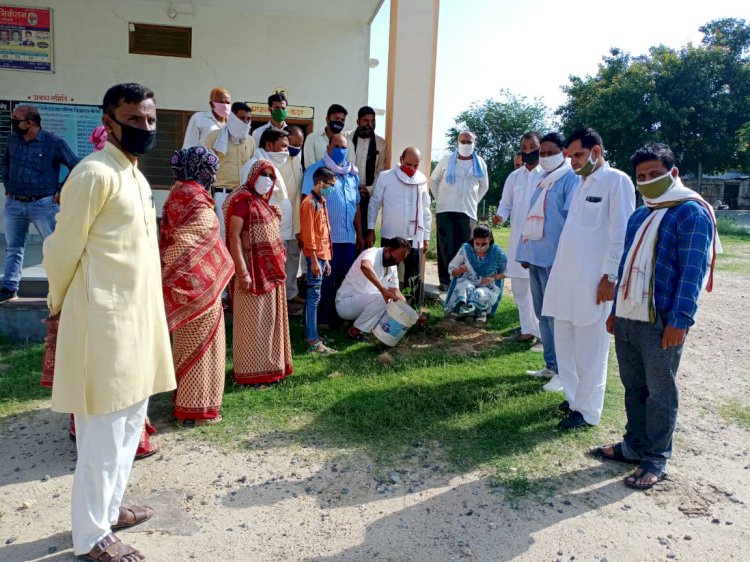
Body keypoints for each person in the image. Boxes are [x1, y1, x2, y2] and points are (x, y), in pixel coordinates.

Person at [43, 82, 175, 562]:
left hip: (139, 322)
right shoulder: (93, 173)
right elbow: (61, 250)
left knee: (128, 428)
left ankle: (111, 511)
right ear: (109, 120)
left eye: (151, 119)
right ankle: (92, 536)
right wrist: (58, 302)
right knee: (100, 435)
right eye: (136, 119)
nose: (146, 127)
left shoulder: (137, 177)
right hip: (101, 321)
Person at [591, 143, 719, 490]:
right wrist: (616, 310)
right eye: (641, 176)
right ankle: (634, 446)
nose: (646, 181)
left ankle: (656, 458)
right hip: (630, 315)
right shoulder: (640, 214)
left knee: (660, 392)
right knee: (633, 387)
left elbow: (692, 272)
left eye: (654, 175)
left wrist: (680, 321)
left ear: (673, 173)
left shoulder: (690, 213)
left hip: (662, 319)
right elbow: (626, 263)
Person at [542, 128, 635, 429]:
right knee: (565, 343)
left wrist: (610, 276)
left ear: (596, 151)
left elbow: (622, 232)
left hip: (594, 282)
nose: (573, 162)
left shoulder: (616, 181)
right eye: (570, 156)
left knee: (591, 348)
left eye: (578, 155)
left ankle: (588, 411)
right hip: (566, 279)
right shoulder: (581, 183)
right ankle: (573, 400)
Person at [160, 146, 234, 426]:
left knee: (188, 342)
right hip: (198, 282)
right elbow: (197, 236)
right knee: (202, 344)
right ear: (200, 169)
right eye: (210, 168)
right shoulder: (193, 195)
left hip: (185, 279)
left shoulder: (178, 191)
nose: (213, 173)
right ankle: (195, 410)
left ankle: (185, 400)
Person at [515, 132, 580, 386]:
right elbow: (531, 217)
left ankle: (564, 373)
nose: (545, 157)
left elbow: (570, 222)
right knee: (543, 315)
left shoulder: (569, 180)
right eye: (542, 152)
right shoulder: (543, 180)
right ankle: (551, 365)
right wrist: (524, 252)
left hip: (555, 259)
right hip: (536, 257)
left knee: (556, 317)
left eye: (550, 152)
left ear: (564, 153)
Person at [1, 104, 80, 304]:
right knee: (14, 248)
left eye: (16, 120)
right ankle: (9, 288)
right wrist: (7, 184)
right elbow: (6, 162)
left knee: (54, 248)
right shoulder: (13, 140)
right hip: (14, 203)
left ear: (31, 122)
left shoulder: (53, 143)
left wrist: (62, 190)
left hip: (43, 205)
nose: (13, 123)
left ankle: (59, 290)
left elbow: (76, 166)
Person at [224, 159, 293, 384]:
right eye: (263, 175)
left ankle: (269, 367)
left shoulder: (264, 203)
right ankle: (249, 371)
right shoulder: (243, 201)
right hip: (250, 266)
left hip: (270, 269)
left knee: (269, 320)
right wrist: (242, 272)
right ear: (253, 176)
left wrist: (275, 216)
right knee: (252, 321)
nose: (268, 180)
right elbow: (233, 236)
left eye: (272, 176)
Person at [302, 133, 363, 328]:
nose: (340, 150)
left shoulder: (352, 174)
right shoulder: (316, 170)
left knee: (345, 281)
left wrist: (360, 233)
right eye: (336, 146)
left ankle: (340, 316)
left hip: (348, 238)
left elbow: (357, 206)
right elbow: (307, 201)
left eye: (344, 147)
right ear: (328, 148)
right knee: (324, 283)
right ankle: (321, 321)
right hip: (325, 239)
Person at [243, 129, 304, 305]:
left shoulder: (273, 163)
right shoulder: (254, 166)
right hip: (261, 229)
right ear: (269, 145)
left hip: (280, 225)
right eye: (284, 146)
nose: (287, 151)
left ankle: (282, 298)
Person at [493, 132, 542, 345]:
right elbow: (506, 203)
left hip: (540, 240)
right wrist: (500, 216)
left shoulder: (547, 175)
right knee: (520, 289)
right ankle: (527, 330)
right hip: (518, 240)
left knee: (538, 289)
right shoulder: (514, 177)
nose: (529, 150)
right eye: (525, 147)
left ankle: (542, 333)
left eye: (533, 146)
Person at [367, 147, 431, 302]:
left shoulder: (421, 179)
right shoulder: (386, 177)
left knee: (413, 276)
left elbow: (426, 209)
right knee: (387, 274)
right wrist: (370, 228)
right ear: (401, 159)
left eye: (415, 166)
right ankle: (384, 307)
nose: (411, 169)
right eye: (408, 164)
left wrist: (426, 236)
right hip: (391, 235)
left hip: (414, 236)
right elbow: (374, 203)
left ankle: (411, 311)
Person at [430, 130, 489, 291]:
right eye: (462, 141)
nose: (465, 144)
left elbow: (484, 185)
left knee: (465, 247)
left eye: (469, 142)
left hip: (468, 211)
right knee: (446, 246)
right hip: (446, 209)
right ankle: (445, 280)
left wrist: (474, 201)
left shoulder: (480, 163)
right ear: (457, 142)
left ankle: (461, 280)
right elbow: (433, 181)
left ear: (474, 143)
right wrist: (439, 199)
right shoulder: (446, 160)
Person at [336, 237, 410, 341]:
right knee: (384, 298)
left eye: (398, 262)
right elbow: (365, 266)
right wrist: (383, 290)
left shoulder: (391, 266)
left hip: (363, 303)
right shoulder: (372, 253)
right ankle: (355, 331)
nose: (395, 263)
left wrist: (411, 314)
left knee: (390, 300)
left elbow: (396, 292)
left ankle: (365, 327)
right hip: (346, 303)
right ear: (386, 250)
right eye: (394, 259)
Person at [205, 102, 256, 238]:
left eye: (248, 119)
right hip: (222, 194)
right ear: (232, 117)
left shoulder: (250, 141)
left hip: (243, 196)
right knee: (222, 235)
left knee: (241, 237)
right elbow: (205, 168)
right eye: (241, 118)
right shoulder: (214, 137)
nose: (245, 122)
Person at [300, 167, 337, 354]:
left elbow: (323, 233)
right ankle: (313, 340)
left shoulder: (321, 201)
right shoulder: (309, 203)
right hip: (315, 257)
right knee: (313, 298)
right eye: (330, 185)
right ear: (320, 183)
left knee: (315, 297)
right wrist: (314, 260)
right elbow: (309, 235)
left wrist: (326, 260)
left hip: (323, 257)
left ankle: (311, 334)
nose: (332, 189)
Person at [444, 225, 507, 323]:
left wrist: (494, 277)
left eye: (484, 244)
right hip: (468, 282)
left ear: (490, 240)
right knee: (463, 287)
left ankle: (481, 312)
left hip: (487, 286)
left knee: (479, 293)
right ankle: (455, 312)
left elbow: (508, 271)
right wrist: (459, 270)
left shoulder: (496, 252)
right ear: (473, 239)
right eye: (477, 243)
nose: (480, 247)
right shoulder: (466, 250)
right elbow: (452, 268)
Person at [345, 106, 387, 234]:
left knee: (365, 232)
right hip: (348, 191)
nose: (370, 124)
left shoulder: (381, 143)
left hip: (368, 193)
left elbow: (380, 170)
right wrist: (353, 187)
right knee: (347, 229)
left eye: (373, 121)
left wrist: (369, 189)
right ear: (358, 121)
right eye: (366, 120)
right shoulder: (346, 138)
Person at [303, 103, 348, 169]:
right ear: (327, 119)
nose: (339, 122)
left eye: (342, 120)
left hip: (341, 179)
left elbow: (349, 167)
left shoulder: (348, 142)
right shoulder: (312, 139)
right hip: (316, 178)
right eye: (336, 118)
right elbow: (310, 167)